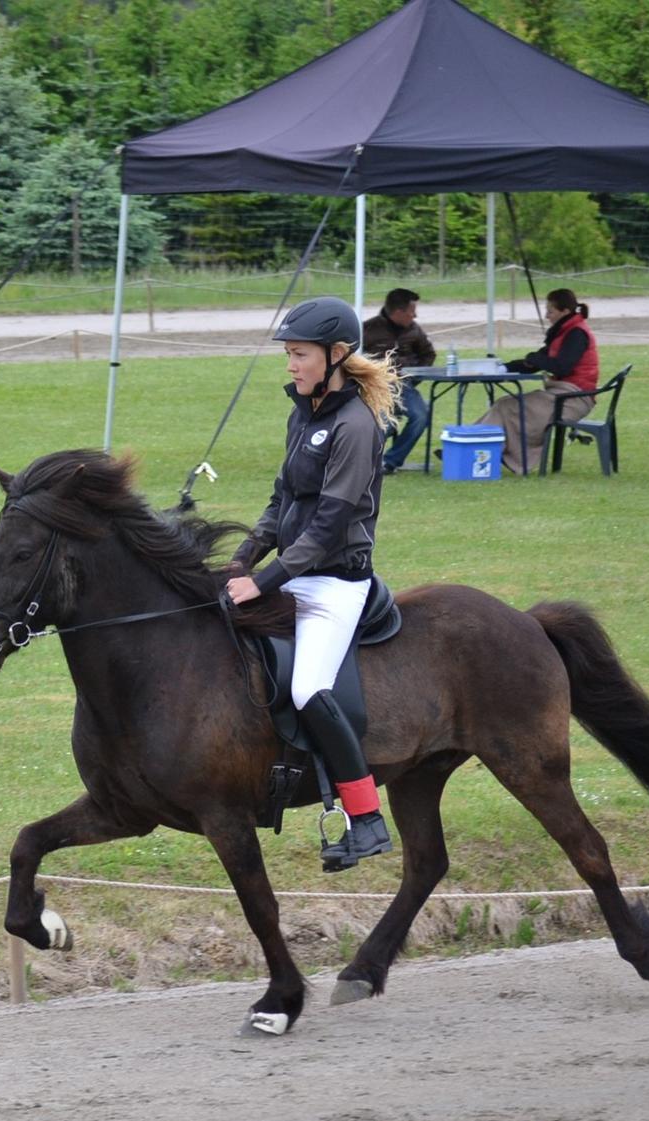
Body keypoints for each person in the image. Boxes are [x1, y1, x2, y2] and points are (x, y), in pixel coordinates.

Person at [226, 296, 402, 872]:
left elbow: (328, 525)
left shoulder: (355, 427)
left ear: (336, 354)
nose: (290, 365)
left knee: (308, 690)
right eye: (288, 354)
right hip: (297, 576)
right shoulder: (304, 412)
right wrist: (245, 558)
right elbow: (283, 499)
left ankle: (367, 818)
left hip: (334, 586)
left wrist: (267, 579)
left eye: (298, 354)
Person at [478, 288, 599, 475]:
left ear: (565, 312)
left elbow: (562, 366)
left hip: (573, 398)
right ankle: (481, 448)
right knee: (504, 404)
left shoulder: (576, 334)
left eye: (550, 311)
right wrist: (503, 368)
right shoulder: (563, 332)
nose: (546, 316)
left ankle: (478, 450)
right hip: (561, 394)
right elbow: (535, 362)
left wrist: (535, 359)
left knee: (506, 406)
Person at [362, 287, 436, 474]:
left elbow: (428, 354)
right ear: (398, 312)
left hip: (405, 386)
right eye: (412, 312)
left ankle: (390, 462)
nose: (415, 316)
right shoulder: (367, 329)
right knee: (384, 424)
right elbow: (351, 358)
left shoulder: (415, 330)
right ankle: (363, 462)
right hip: (375, 386)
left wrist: (415, 375)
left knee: (421, 416)